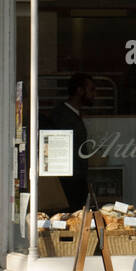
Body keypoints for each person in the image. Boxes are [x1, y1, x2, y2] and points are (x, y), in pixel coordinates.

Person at [45, 72, 95, 210]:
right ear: (79, 90)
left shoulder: (70, 115)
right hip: (68, 184)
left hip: (74, 182)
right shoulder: (62, 116)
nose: (93, 95)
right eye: (91, 90)